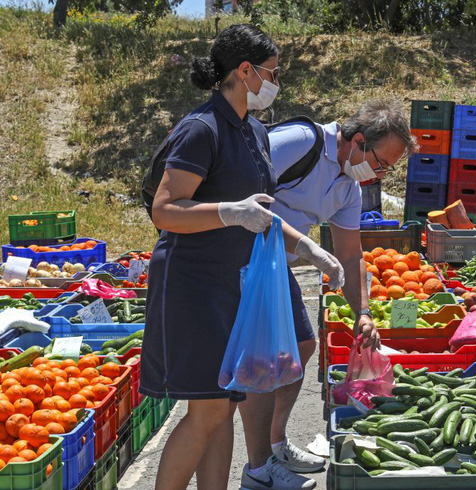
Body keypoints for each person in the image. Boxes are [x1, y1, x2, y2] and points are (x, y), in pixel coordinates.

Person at [139, 23, 344, 490]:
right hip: (193, 285)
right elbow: (166, 210)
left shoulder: (252, 129)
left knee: (224, 403)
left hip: (234, 284)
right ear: (245, 70)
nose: (276, 82)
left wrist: (309, 248)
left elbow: (262, 213)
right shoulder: (201, 128)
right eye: (272, 72)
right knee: (208, 408)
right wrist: (230, 212)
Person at [236, 100, 417, 482]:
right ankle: (257, 468)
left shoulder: (348, 188)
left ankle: (275, 443)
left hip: (273, 265)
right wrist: (308, 249)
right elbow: (238, 184)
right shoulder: (302, 142)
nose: (381, 174)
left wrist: (363, 312)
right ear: (359, 141)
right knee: (263, 359)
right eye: (382, 163)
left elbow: (352, 258)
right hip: (236, 258)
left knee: (301, 347)